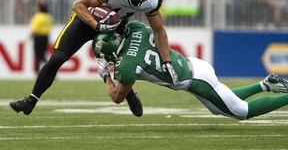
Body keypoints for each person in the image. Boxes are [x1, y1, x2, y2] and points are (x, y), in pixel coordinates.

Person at [10, 0, 178, 117]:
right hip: (87, 19)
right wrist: (96, 26)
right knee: (57, 58)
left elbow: (158, 31)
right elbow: (78, 4)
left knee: (124, 66)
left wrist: (167, 61)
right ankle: (31, 100)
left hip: (116, 25)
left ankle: (128, 93)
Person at [92, 20, 288, 120]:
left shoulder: (126, 66)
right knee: (219, 105)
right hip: (193, 64)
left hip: (195, 80)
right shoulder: (134, 28)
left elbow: (118, 97)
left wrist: (105, 77)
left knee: (242, 112)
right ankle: (265, 84)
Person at [29, 3, 53, 72]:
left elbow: (34, 29)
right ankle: (41, 70)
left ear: (40, 9)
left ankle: (40, 71)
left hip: (38, 38)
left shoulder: (38, 17)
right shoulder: (48, 17)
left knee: (39, 56)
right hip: (46, 38)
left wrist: (29, 37)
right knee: (42, 55)